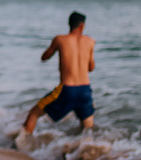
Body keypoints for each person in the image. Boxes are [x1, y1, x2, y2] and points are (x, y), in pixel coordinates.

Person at [16, 11, 96, 149]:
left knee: (34, 113)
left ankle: (21, 147)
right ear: (82, 26)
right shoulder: (90, 41)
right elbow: (91, 67)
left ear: (69, 24)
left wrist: (53, 46)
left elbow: (44, 57)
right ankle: (86, 152)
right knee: (87, 126)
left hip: (66, 89)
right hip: (85, 90)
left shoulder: (59, 39)